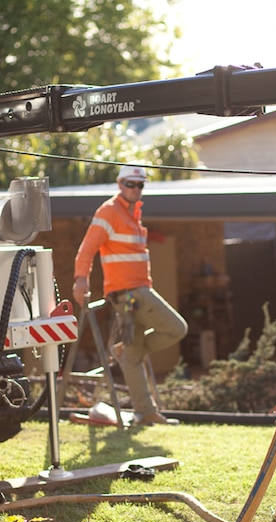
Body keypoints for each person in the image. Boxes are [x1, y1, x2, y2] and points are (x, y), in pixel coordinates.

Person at [73, 165, 188, 426]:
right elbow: (87, 249)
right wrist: (81, 280)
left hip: (136, 291)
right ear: (119, 183)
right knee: (176, 328)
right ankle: (124, 348)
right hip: (129, 294)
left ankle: (146, 412)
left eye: (140, 185)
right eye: (130, 184)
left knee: (132, 357)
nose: (135, 189)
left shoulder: (132, 214)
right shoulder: (109, 212)